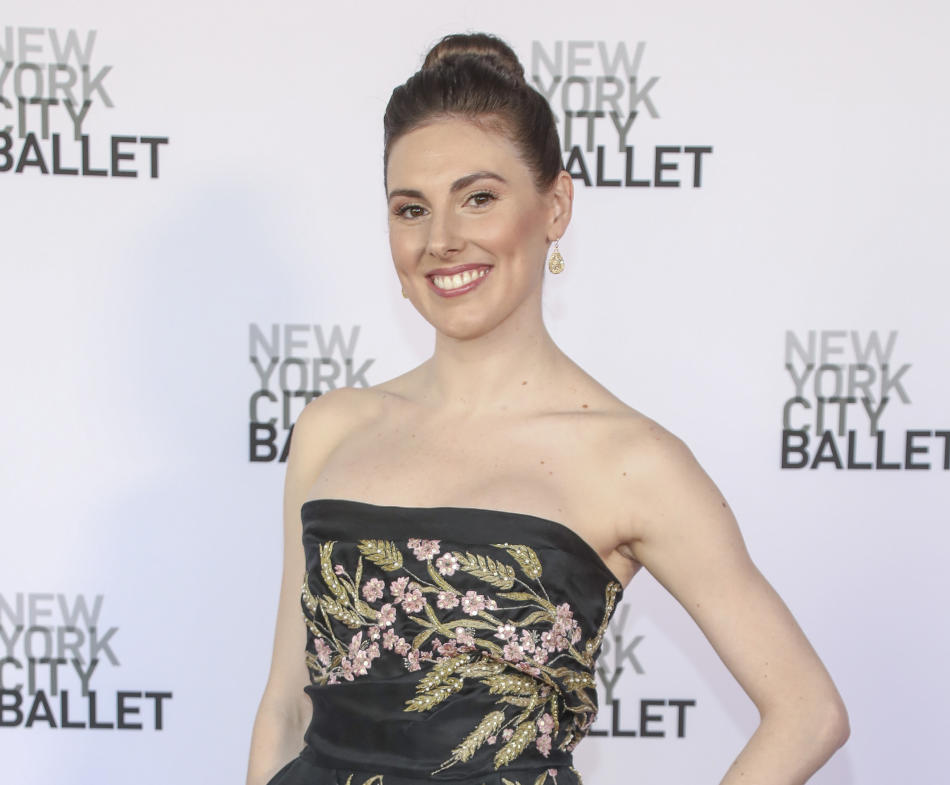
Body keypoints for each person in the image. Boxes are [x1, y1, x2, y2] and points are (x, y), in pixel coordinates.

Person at [246, 32, 849, 785]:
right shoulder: (331, 428)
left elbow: (807, 710)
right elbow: (283, 707)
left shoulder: (631, 461)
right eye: (410, 209)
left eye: (479, 198)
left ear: (555, 205)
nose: (441, 240)